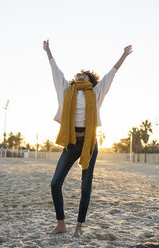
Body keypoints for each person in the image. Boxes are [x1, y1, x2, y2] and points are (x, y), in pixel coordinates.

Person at [43, 39, 132, 237]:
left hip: (90, 144)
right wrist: (48, 50)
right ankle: (61, 224)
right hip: (71, 143)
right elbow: (55, 71)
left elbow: (111, 75)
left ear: (91, 79)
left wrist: (124, 55)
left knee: (85, 186)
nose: (79, 74)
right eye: (78, 74)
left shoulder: (97, 92)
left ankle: (78, 228)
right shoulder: (67, 90)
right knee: (55, 183)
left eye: (83, 74)